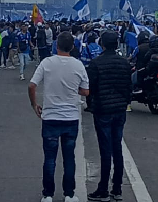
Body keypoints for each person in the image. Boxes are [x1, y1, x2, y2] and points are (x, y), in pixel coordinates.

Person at [28, 31, 89, 202]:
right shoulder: (78, 65)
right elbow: (86, 91)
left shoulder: (47, 62)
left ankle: (47, 195)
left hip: (50, 118)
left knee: (50, 159)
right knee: (69, 158)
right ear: (72, 47)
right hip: (70, 118)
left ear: (56, 45)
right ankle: (69, 194)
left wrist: (34, 105)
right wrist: (71, 89)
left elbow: (32, 85)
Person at [86, 32, 131, 202]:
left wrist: (91, 105)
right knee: (117, 148)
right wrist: (125, 102)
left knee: (105, 150)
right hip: (119, 109)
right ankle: (117, 189)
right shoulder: (124, 63)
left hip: (103, 110)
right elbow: (128, 87)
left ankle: (103, 189)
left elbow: (90, 88)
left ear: (102, 44)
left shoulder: (96, 63)